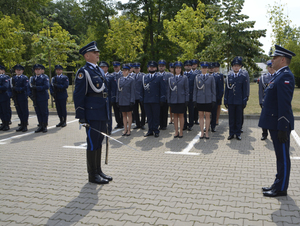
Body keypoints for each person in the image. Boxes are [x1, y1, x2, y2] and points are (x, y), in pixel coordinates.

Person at [259, 45, 295, 197]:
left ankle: (281, 188)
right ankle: (277, 184)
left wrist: (282, 126)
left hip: (279, 125)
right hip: (274, 123)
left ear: (282, 59)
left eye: (274, 58)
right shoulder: (279, 74)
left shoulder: (285, 76)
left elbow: (284, 104)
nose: (271, 60)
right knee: (280, 157)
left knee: (283, 158)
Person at [73, 41, 112, 184]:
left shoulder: (99, 70)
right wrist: (81, 116)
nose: (98, 54)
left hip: (101, 112)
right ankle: (92, 175)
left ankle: (98, 170)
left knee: (99, 142)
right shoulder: (84, 72)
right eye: (94, 53)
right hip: (92, 113)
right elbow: (78, 95)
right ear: (87, 56)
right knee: (92, 143)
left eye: (97, 52)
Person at [140, 61, 166, 138]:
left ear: (156, 68)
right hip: (147, 100)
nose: (152, 68)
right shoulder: (144, 77)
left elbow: (162, 89)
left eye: (153, 67)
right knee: (149, 116)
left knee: (156, 116)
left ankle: (156, 130)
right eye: (150, 67)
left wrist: (162, 98)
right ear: (148, 68)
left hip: (156, 100)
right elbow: (142, 89)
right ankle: (150, 130)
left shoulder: (159, 77)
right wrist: (141, 98)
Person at [224, 58, 247, 140]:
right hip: (231, 101)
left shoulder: (243, 77)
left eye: (238, 66)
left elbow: (244, 90)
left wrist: (244, 100)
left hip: (239, 101)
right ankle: (231, 133)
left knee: (238, 118)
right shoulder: (229, 77)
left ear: (240, 67)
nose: (236, 67)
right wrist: (225, 100)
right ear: (232, 67)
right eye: (234, 66)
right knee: (231, 118)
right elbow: (226, 90)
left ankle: (238, 133)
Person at [193, 62, 216, 139]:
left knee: (207, 116)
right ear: (200, 68)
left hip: (208, 99)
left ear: (207, 69)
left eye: (205, 68)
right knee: (201, 116)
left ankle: (207, 132)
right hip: (200, 99)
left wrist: (213, 100)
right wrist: (194, 100)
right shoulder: (197, 77)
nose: (204, 69)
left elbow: (213, 90)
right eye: (203, 68)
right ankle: (202, 132)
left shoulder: (211, 77)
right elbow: (195, 90)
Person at [167, 61, 189, 138]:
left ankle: (181, 131)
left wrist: (187, 99)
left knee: (181, 115)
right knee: (175, 116)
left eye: (179, 68)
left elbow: (186, 89)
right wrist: (169, 100)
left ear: (181, 69)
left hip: (181, 99)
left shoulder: (184, 78)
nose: (178, 70)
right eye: (176, 68)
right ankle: (176, 131)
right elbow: (168, 90)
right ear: (174, 69)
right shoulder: (170, 79)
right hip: (173, 100)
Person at [29, 64, 50, 133]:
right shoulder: (32, 78)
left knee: (44, 112)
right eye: (36, 70)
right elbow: (29, 87)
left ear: (41, 70)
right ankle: (40, 125)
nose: (37, 71)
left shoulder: (44, 77)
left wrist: (37, 87)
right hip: (35, 97)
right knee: (38, 112)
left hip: (43, 97)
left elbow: (46, 86)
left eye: (39, 69)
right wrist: (30, 95)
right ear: (34, 71)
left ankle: (44, 125)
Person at [116, 64, 135, 136]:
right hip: (121, 100)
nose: (124, 72)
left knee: (129, 114)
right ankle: (125, 129)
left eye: (125, 71)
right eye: (123, 71)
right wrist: (117, 100)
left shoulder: (131, 80)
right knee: (123, 115)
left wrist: (132, 100)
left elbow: (132, 91)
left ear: (128, 71)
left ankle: (129, 130)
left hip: (128, 100)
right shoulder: (119, 80)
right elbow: (117, 91)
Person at [258, 60, 275, 140]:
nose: (271, 68)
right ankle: (264, 134)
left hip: (274, 102)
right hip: (265, 101)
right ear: (267, 68)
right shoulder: (263, 77)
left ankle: (273, 134)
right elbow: (260, 91)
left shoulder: (278, 76)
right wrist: (261, 101)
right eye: (269, 67)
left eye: (272, 67)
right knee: (264, 118)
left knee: (273, 119)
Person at [12, 64, 29, 132]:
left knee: (24, 111)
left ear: (22, 71)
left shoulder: (24, 78)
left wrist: (17, 89)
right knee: (19, 111)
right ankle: (21, 124)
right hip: (16, 96)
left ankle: (25, 125)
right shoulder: (14, 78)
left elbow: (25, 87)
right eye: (17, 70)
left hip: (22, 95)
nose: (18, 71)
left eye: (19, 70)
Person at [99, 61, 114, 134]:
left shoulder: (110, 77)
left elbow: (113, 89)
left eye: (103, 67)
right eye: (100, 67)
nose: (101, 68)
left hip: (108, 97)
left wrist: (112, 98)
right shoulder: (98, 76)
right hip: (100, 98)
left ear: (107, 68)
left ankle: (109, 128)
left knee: (108, 114)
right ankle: (103, 127)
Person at [157, 59, 171, 130]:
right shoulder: (156, 75)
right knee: (158, 111)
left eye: (162, 66)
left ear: (165, 67)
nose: (161, 67)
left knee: (165, 111)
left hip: (166, 96)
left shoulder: (169, 75)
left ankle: (164, 125)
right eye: (160, 66)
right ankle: (160, 124)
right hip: (158, 96)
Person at [210, 62, 224, 132]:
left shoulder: (219, 76)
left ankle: (214, 123)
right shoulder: (207, 76)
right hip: (208, 98)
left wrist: (219, 96)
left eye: (216, 67)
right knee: (208, 112)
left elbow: (221, 87)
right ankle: (208, 124)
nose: (215, 69)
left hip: (216, 96)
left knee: (215, 111)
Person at [132, 62, 146, 130]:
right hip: (134, 96)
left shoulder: (143, 75)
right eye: (135, 68)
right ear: (134, 69)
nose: (136, 69)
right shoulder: (132, 76)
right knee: (135, 111)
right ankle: (137, 124)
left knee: (143, 110)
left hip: (141, 96)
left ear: (140, 68)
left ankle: (142, 124)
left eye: (137, 68)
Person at [183, 60, 196, 131]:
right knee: (183, 111)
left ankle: (191, 124)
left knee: (191, 111)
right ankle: (184, 124)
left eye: (189, 65)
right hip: (183, 97)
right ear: (184, 66)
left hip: (191, 96)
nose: (188, 66)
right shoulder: (182, 75)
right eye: (186, 65)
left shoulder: (194, 75)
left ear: (191, 66)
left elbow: (195, 87)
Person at [111, 61, 123, 129]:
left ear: (119, 67)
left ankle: (123, 122)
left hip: (121, 95)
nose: (116, 68)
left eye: (117, 67)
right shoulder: (112, 75)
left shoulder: (122, 74)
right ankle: (118, 123)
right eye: (115, 67)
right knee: (116, 111)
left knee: (122, 110)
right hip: (114, 95)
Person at [0, 65, 10, 131]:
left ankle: (6, 124)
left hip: (4, 96)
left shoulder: (5, 77)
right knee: (1, 111)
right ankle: (3, 123)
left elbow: (5, 86)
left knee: (5, 110)